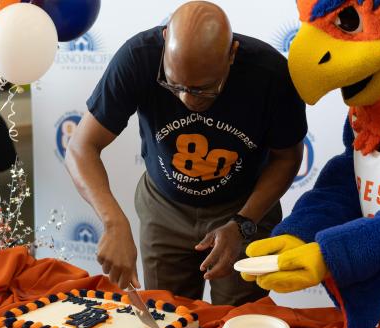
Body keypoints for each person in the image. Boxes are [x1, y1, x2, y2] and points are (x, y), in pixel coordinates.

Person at [66, 1, 307, 305]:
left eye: (202, 89)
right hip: (163, 208)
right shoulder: (139, 57)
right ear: (165, 39)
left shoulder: (270, 74)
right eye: (173, 84)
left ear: (231, 54)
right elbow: (81, 147)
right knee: (167, 320)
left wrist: (244, 223)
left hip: (243, 205)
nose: (185, 98)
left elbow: (287, 158)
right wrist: (113, 221)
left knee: (238, 323)